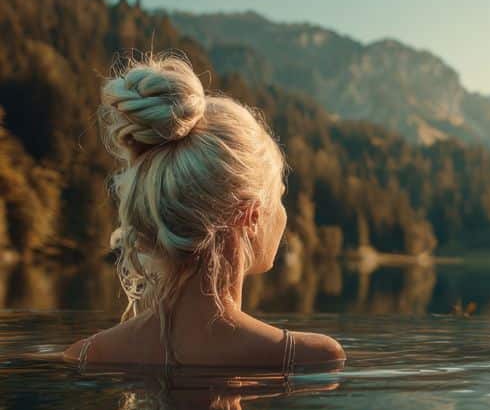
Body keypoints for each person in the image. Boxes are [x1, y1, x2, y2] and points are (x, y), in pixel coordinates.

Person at [63, 53, 344, 370]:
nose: (282, 213)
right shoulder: (309, 357)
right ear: (248, 214)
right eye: (279, 196)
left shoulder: (85, 355)